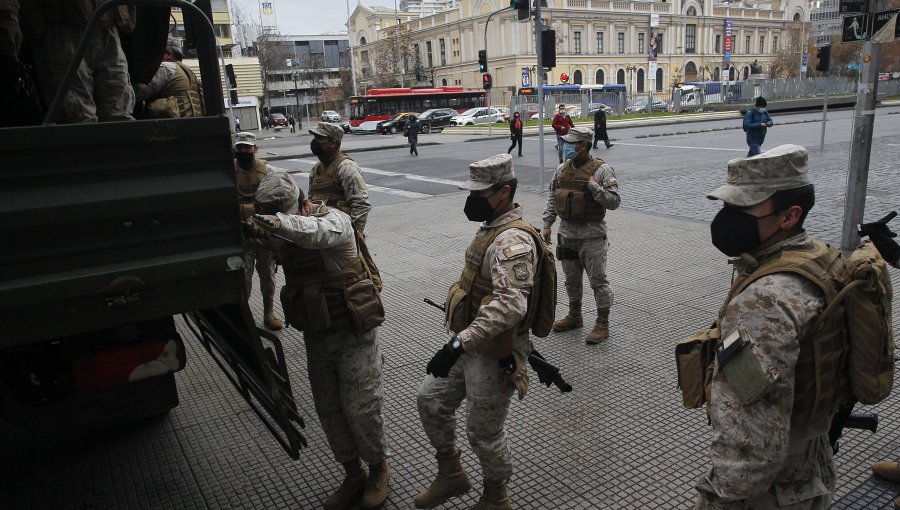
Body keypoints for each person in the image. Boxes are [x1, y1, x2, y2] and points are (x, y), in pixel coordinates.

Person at [695, 144, 844, 509]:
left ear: (789, 216)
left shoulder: (765, 302)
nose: (728, 218)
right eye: (728, 206)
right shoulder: (820, 259)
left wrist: (719, 498)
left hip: (770, 490)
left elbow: (752, 446)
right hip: (811, 463)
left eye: (742, 208)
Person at [247, 171, 389, 510]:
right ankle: (352, 473)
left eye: (285, 215)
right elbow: (253, 237)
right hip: (317, 337)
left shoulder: (333, 221)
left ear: (304, 204)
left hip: (353, 333)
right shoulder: (278, 233)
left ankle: (379, 468)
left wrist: (276, 223)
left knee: (361, 408)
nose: (278, 223)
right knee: (329, 409)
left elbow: (312, 234)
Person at [416, 153, 539, 510]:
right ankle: (451, 474)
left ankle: (496, 498)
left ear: (503, 192)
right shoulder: (492, 227)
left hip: (496, 350)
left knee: (484, 433)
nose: (471, 200)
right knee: (430, 400)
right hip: (472, 342)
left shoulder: (512, 240)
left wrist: (457, 343)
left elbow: (511, 304)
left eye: (479, 193)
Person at [542, 127, 620, 344]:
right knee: (571, 281)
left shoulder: (602, 171)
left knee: (598, 281)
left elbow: (614, 202)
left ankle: (602, 323)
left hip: (592, 237)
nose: (566, 145)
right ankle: (575, 315)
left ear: (583, 145)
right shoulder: (561, 170)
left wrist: (595, 188)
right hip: (567, 236)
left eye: (571, 143)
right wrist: (547, 224)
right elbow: (552, 198)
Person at [1, 0, 136, 124]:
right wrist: (7, 14)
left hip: (106, 23)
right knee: (77, 120)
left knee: (120, 117)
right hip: (60, 29)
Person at [233, 132, 283, 330]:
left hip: (263, 232)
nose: (244, 151)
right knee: (243, 277)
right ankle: (245, 317)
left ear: (255, 149)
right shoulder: (229, 171)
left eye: (247, 147)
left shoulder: (267, 170)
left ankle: (268, 313)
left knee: (267, 275)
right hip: (240, 233)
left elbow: (277, 198)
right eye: (240, 148)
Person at [308, 122, 372, 233]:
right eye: (315, 137)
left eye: (319, 138)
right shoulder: (316, 168)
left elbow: (361, 205)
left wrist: (355, 236)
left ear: (333, 143)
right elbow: (311, 200)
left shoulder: (346, 168)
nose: (315, 142)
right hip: (322, 234)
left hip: (342, 235)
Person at [134, 40, 204, 118]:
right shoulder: (189, 73)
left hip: (172, 127)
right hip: (191, 125)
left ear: (168, 55)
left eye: (155, 54)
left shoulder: (167, 67)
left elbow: (138, 93)